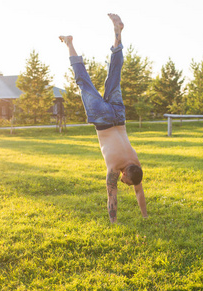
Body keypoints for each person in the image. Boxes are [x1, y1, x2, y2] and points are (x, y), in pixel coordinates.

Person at [59, 13, 147, 223]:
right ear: (125, 175)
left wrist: (145, 215)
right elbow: (112, 195)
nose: (124, 183)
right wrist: (113, 221)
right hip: (103, 119)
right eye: (126, 181)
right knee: (83, 82)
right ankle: (70, 43)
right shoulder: (115, 169)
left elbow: (139, 192)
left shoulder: (136, 163)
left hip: (119, 115)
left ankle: (118, 36)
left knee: (115, 73)